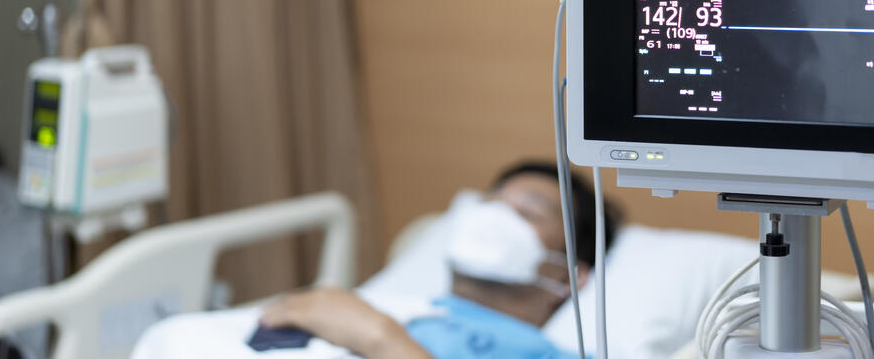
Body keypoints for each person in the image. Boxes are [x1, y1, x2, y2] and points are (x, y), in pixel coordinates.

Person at [257, 161, 621, 359]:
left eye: (528, 215)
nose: (493, 218)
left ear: (571, 275)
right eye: (490, 203)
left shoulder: (547, 354)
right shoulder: (386, 307)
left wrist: (381, 339)